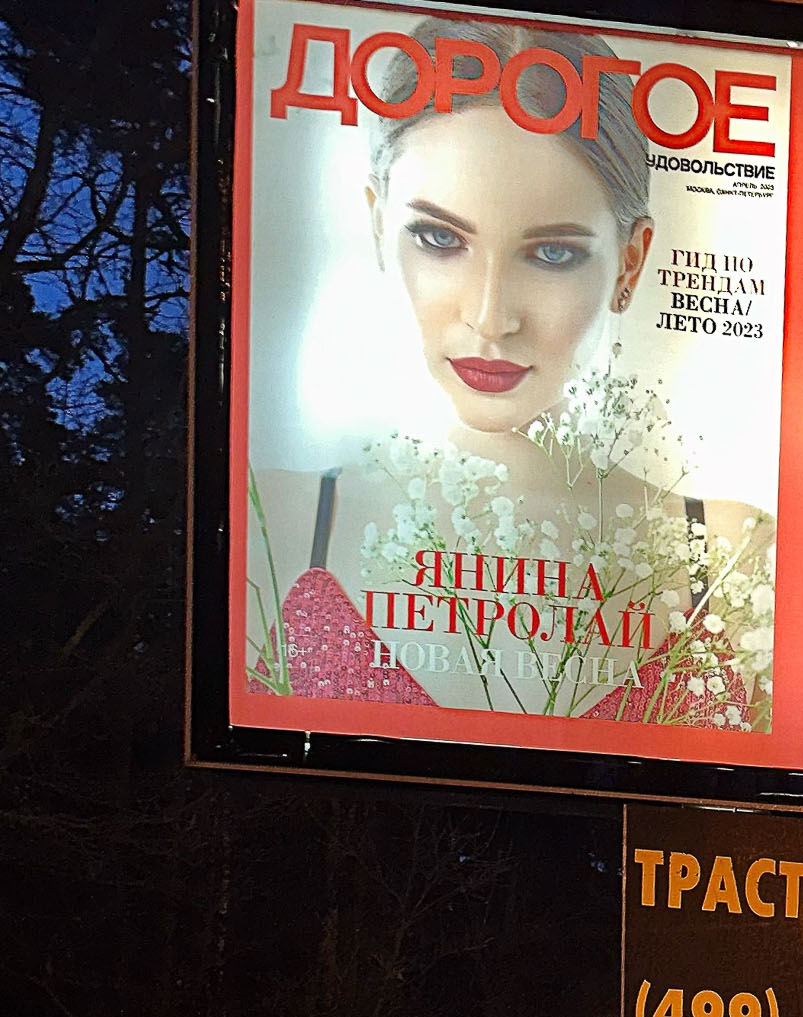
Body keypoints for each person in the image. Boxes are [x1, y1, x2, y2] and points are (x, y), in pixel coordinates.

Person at [246, 16, 773, 728]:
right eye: (439, 238)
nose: (491, 318)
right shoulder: (275, 520)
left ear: (630, 262)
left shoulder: (737, 556)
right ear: (377, 224)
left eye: (552, 253)